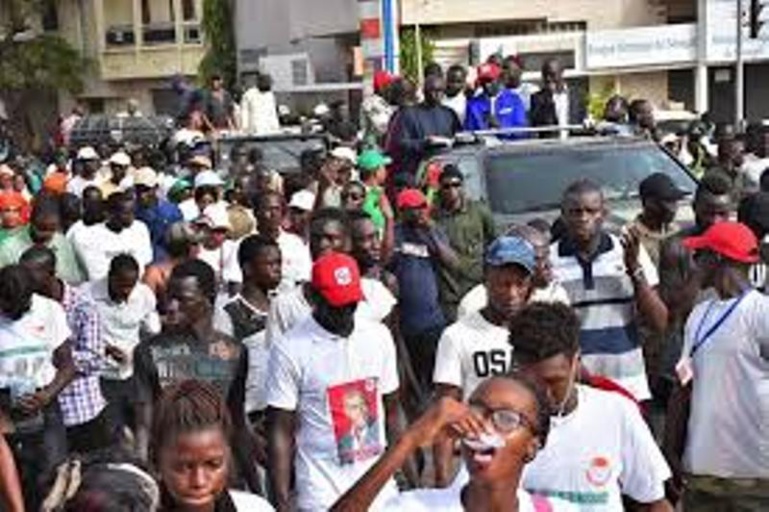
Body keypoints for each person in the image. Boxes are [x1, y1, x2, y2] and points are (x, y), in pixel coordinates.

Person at [266, 253, 401, 512]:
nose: (345, 313)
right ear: (312, 297)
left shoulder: (378, 337)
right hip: (321, 493)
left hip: (380, 492)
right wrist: (281, 502)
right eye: (336, 305)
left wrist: (408, 475)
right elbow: (280, 430)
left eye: (351, 304)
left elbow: (393, 409)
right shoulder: (289, 349)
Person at [510, 303, 673, 512]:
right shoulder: (501, 425)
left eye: (554, 381)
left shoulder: (617, 412)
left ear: (576, 362)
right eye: (533, 383)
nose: (545, 395)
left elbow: (653, 501)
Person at [332, 375, 575, 512]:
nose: (484, 427)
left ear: (532, 446)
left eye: (505, 419)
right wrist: (409, 440)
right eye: (475, 412)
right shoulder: (418, 507)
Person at [664, 222, 769, 510]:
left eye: (700, 255)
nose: (694, 263)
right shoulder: (699, 315)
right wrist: (670, 450)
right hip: (703, 474)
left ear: (717, 258)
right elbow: (683, 387)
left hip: (756, 478)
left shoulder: (761, 313)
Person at [133, 259, 259, 492]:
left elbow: (237, 421)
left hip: (217, 471)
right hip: (170, 471)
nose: (171, 306)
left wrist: (256, 486)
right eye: (169, 297)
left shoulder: (233, 352)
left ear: (208, 299)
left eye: (183, 299)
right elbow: (143, 425)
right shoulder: (149, 352)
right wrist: (143, 478)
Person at [432, 235, 536, 487]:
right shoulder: (457, 336)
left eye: (520, 284)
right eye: (503, 284)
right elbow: (445, 411)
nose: (512, 293)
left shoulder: (540, 332)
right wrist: (442, 480)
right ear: (486, 279)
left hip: (533, 461)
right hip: (481, 459)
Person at [551, 179, 668, 401]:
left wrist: (634, 269)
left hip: (627, 384)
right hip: (576, 388)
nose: (583, 218)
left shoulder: (627, 251)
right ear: (563, 216)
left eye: (591, 211)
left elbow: (659, 322)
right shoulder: (549, 260)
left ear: (603, 214)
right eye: (575, 212)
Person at [19, 247, 110, 455]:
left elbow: (94, 358)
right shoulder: (25, 305)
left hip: (80, 410)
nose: (24, 280)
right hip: (44, 412)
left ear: (51, 273)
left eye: (30, 274)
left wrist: (55, 355)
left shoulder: (83, 306)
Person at [0, 265, 75, 510]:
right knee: (9, 482)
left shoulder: (49, 310)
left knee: (51, 478)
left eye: (21, 306)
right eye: (7, 306)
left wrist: (47, 395)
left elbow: (67, 365)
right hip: (3, 409)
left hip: (44, 403)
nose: (14, 313)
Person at [152, 380, 274, 511]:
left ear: (228, 458)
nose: (199, 482)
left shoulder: (254, 508)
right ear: (156, 462)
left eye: (213, 464)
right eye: (184, 467)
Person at [81, 254, 160, 443]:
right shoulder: (86, 295)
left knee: (143, 429)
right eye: (122, 285)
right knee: (111, 434)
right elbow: (75, 335)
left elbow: (152, 330)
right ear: (110, 277)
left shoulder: (144, 295)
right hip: (101, 376)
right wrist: (103, 348)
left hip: (133, 374)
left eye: (131, 286)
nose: (127, 291)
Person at [391, 188, 458, 393]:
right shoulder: (395, 233)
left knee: (435, 376)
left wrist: (430, 234)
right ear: (402, 211)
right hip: (404, 321)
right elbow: (386, 262)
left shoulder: (434, 230)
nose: (419, 212)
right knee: (411, 379)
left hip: (432, 319)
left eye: (422, 207)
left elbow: (452, 262)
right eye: (414, 208)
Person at [214, 235, 281, 434]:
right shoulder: (229, 312)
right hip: (249, 419)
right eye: (270, 264)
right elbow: (221, 374)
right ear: (248, 269)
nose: (277, 269)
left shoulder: (284, 307)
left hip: (283, 413)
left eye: (279, 263)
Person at [458, 224, 570, 317]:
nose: (548, 265)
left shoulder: (555, 294)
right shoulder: (474, 304)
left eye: (547, 256)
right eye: (538, 259)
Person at [432, 164, 496, 321]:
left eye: (456, 184)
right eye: (447, 186)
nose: (452, 190)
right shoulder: (433, 216)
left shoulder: (479, 211)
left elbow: (493, 243)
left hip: (477, 287)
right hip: (449, 293)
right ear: (440, 189)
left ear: (462, 186)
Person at [388, 74, 462, 178]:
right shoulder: (409, 114)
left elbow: (459, 137)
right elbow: (399, 143)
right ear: (425, 91)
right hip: (419, 170)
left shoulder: (449, 114)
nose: (437, 95)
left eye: (441, 91)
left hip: (445, 168)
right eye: (433, 91)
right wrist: (423, 143)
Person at [0, 195, 84, 284]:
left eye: (52, 229)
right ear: (31, 221)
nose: (46, 234)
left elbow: (73, 278)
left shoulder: (62, 243)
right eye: (41, 228)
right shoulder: (8, 247)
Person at [71, 191, 152, 281]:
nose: (131, 217)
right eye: (126, 213)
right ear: (109, 213)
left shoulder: (140, 229)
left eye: (133, 212)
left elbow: (146, 263)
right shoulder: (89, 236)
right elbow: (96, 274)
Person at [254, 191, 312, 290]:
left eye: (277, 209)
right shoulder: (245, 244)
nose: (273, 214)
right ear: (256, 213)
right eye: (268, 209)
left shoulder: (296, 244)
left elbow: (304, 279)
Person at [628, 172, 688, 268]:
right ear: (650, 203)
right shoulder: (630, 236)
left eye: (675, 201)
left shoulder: (675, 230)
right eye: (669, 201)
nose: (674, 208)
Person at [142, 221, 201, 308]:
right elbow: (146, 307)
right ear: (182, 246)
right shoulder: (154, 273)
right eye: (194, 244)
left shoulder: (200, 269)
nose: (199, 249)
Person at [133, 166, 183, 263]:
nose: (142, 195)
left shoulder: (171, 211)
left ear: (156, 187)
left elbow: (178, 242)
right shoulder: (130, 211)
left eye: (146, 190)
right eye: (138, 190)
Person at [465, 63, 528, 135]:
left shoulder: (514, 100)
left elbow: (522, 130)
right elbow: (468, 132)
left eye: (490, 81)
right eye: (483, 82)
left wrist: (500, 127)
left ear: (499, 79)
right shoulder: (473, 104)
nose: (486, 85)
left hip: (509, 141)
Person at [530, 59, 582, 137]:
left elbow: (580, 121)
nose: (548, 78)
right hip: (550, 143)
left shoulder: (576, 96)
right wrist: (549, 98)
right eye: (545, 75)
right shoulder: (537, 98)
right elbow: (537, 123)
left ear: (561, 73)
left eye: (552, 74)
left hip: (573, 142)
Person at [357, 149, 394, 236]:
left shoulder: (378, 192)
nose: (386, 171)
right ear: (375, 172)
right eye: (383, 167)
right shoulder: (361, 196)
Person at [705, 136, 746, 202]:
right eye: (741, 152)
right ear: (729, 153)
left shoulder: (736, 174)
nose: (744, 155)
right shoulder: (715, 177)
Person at [361, 70, 396, 143]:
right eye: (389, 84)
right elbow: (382, 128)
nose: (392, 87)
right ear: (381, 87)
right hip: (374, 146)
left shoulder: (384, 102)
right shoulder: (372, 104)